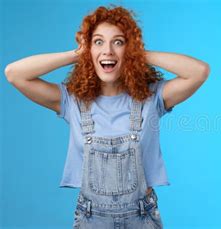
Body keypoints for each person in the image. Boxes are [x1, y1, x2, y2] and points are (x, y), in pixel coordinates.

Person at [4, 5, 210, 229]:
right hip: (91, 219)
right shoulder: (72, 102)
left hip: (142, 218)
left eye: (118, 42)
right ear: (88, 50)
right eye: (98, 41)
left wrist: (138, 54)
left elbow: (198, 72)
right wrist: (75, 55)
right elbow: (14, 74)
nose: (108, 51)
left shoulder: (151, 98)